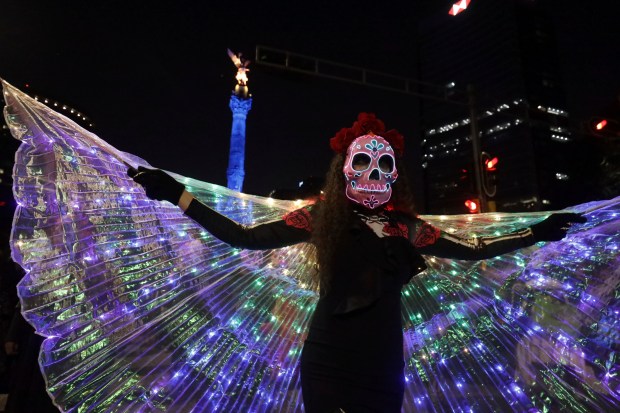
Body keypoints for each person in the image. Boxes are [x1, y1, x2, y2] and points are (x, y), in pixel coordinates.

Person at [129, 113, 585, 413]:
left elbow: (475, 249)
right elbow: (241, 238)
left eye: (383, 165)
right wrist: (178, 195)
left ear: (394, 174)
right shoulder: (319, 218)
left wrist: (536, 231)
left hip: (382, 362)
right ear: (345, 168)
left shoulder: (407, 228)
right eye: (362, 161)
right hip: (328, 357)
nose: (373, 173)